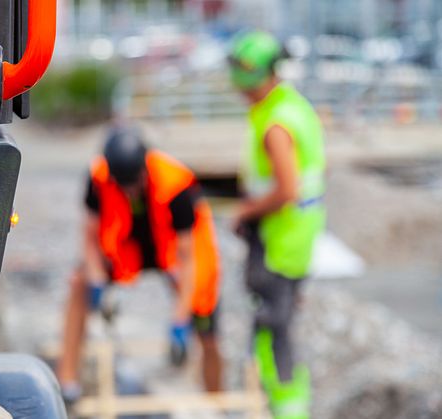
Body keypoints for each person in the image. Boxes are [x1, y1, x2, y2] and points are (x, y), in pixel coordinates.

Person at [56, 126, 223, 402]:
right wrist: (97, 280)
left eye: (133, 182)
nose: (129, 190)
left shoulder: (176, 185)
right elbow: (88, 235)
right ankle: (67, 380)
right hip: (126, 249)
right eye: (123, 184)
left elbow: (188, 259)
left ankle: (217, 399)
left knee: (206, 319)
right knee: (79, 283)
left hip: (172, 253)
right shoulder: (99, 177)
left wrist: (180, 318)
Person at [228, 30, 326, 419]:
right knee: (280, 328)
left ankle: (283, 409)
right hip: (299, 238)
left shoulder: (276, 126)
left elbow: (286, 189)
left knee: (273, 332)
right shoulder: (293, 106)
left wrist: (245, 212)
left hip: (278, 242)